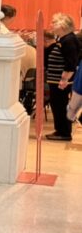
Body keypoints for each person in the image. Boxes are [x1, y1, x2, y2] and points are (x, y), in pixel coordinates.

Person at [45, 13, 78, 141]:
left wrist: (65, 79)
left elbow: (71, 62)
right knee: (57, 105)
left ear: (62, 25)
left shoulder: (68, 40)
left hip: (61, 81)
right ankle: (60, 130)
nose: (51, 25)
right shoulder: (63, 39)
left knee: (60, 105)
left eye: (54, 22)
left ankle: (63, 132)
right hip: (57, 80)